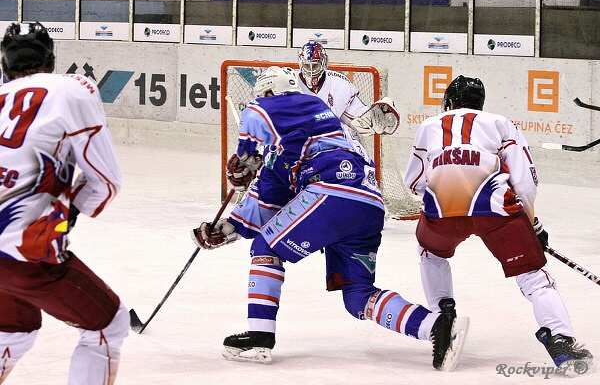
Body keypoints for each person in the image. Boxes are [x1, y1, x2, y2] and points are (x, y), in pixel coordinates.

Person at [191, 66, 469, 370]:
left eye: (266, 96)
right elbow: (264, 202)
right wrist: (225, 229)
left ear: (272, 93)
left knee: (265, 247)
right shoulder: (290, 143)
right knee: (358, 297)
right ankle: (437, 327)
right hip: (367, 209)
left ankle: (260, 336)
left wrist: (246, 153)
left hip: (334, 192)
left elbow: (258, 112)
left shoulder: (305, 105)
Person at [403, 75, 593, 375]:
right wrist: (533, 225)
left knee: (431, 253)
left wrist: (444, 192)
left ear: (450, 101)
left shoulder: (429, 125)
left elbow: (413, 182)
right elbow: (524, 182)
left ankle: (442, 321)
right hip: (495, 210)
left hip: (442, 209)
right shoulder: (501, 123)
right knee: (533, 276)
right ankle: (561, 342)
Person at [0, 22, 128, 384]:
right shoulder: (72, 88)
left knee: (13, 331)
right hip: (25, 252)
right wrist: (73, 210)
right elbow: (106, 181)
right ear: (52, 59)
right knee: (108, 325)